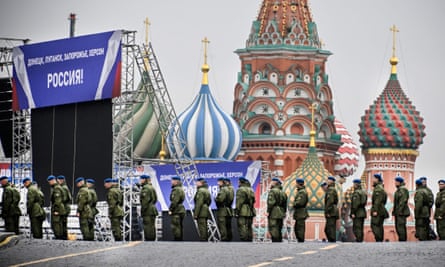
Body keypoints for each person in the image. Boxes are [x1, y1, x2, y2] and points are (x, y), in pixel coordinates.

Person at [235, 176, 255, 242]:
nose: (238, 183)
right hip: (250, 209)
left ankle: (244, 239)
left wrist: (237, 211)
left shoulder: (240, 190)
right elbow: (254, 200)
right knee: (249, 226)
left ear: (240, 182)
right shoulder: (251, 189)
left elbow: (239, 202)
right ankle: (249, 239)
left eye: (238, 182)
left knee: (242, 225)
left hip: (242, 210)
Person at [370, 173, 389, 242]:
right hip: (381, 209)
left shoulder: (378, 189)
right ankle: (379, 240)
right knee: (379, 225)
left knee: (374, 225)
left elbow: (377, 201)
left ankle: (379, 239)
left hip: (378, 210)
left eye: (374, 178)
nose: (372, 180)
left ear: (377, 179)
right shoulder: (380, 188)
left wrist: (375, 210)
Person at [139, 174, 158, 241]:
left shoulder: (145, 188)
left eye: (141, 179)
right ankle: (152, 241)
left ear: (144, 180)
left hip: (148, 211)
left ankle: (149, 242)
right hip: (152, 209)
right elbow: (155, 199)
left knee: (147, 227)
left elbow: (145, 202)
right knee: (152, 227)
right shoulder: (151, 187)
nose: (140, 181)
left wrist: (143, 211)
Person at [267, 177, 287, 242]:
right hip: (281, 212)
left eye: (272, 181)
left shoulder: (272, 191)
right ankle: (279, 241)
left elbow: (271, 202)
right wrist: (284, 212)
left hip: (274, 212)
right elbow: (285, 205)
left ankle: (275, 242)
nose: (270, 183)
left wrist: (268, 211)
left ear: (275, 183)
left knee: (273, 227)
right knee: (279, 228)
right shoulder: (283, 192)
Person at [47, 175, 66, 239]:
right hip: (60, 208)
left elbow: (58, 200)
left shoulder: (56, 188)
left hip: (58, 209)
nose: (49, 183)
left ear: (52, 181)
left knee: (56, 224)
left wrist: (56, 210)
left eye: (49, 182)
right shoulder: (58, 187)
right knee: (59, 224)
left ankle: (59, 237)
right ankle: (60, 237)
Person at [392, 176, 410, 241]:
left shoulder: (403, 190)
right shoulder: (399, 190)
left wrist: (399, 211)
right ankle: (401, 239)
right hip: (398, 212)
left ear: (399, 182)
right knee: (398, 227)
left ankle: (403, 240)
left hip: (401, 212)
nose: (395, 183)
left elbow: (403, 201)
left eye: (396, 182)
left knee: (401, 227)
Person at [169, 176, 185, 241]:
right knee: (179, 227)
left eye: (172, 180)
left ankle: (177, 242)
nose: (171, 182)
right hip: (180, 210)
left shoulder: (176, 190)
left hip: (177, 211)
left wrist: (170, 209)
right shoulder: (180, 189)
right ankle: (179, 241)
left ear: (176, 181)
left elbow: (175, 201)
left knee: (176, 227)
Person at [293, 178, 309, 242]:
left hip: (301, 212)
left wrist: (294, 204)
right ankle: (299, 240)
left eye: (296, 183)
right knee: (297, 228)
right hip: (299, 213)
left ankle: (301, 240)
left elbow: (300, 202)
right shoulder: (300, 191)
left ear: (298, 184)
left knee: (300, 228)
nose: (295, 184)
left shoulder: (302, 192)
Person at [324, 176, 339, 243]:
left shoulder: (331, 190)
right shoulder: (331, 189)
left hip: (331, 211)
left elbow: (330, 202)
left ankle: (332, 241)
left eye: (328, 180)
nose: (327, 181)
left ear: (332, 181)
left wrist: (328, 211)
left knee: (330, 228)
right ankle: (331, 240)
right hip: (332, 210)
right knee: (329, 228)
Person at [57, 175, 72, 240]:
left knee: (62, 223)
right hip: (65, 207)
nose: (58, 182)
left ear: (62, 180)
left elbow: (65, 198)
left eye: (58, 180)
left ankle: (63, 237)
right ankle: (64, 236)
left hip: (64, 208)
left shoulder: (63, 188)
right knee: (63, 223)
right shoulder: (65, 187)